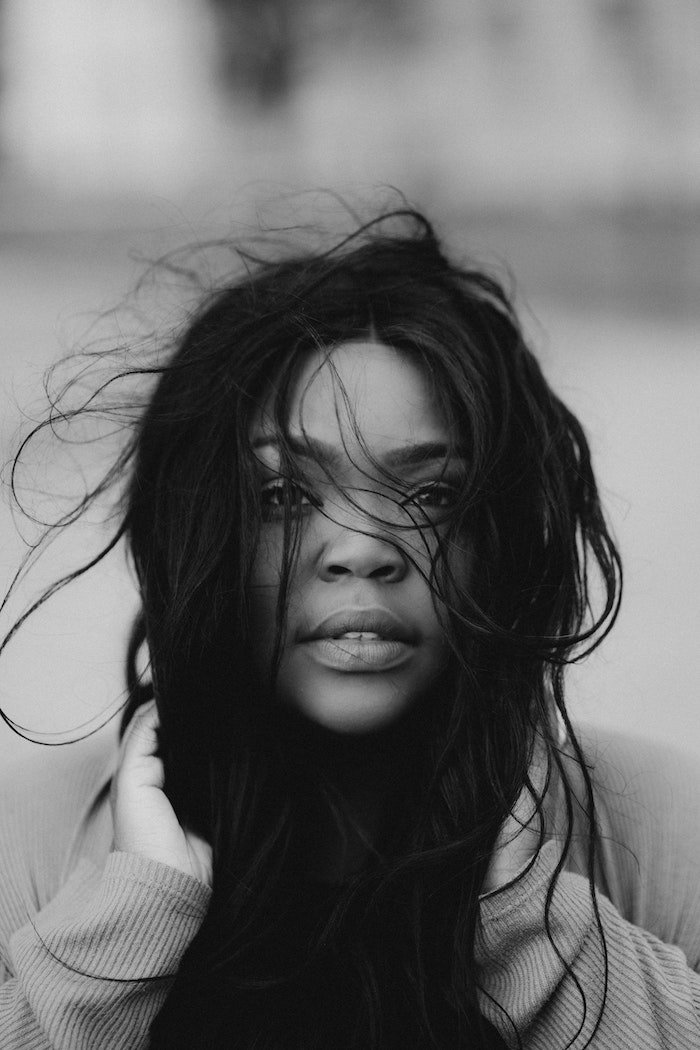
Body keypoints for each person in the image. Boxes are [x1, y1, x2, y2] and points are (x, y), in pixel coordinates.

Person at [0, 207, 699, 1049]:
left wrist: (541, 938)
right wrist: (120, 937)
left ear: (504, 535)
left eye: (432, 495)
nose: (363, 552)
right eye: (284, 497)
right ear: (197, 527)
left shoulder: (659, 829)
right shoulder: (29, 846)